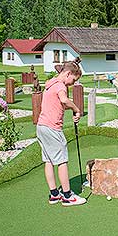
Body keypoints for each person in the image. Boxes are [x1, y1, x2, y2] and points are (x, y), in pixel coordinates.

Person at [36, 57, 86, 206]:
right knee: (62, 160)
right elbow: (64, 100)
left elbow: (58, 104)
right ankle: (67, 196)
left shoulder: (51, 83)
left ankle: (54, 194)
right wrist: (76, 109)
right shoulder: (61, 86)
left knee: (49, 160)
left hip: (41, 126)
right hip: (52, 128)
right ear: (68, 74)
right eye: (74, 80)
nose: (73, 83)